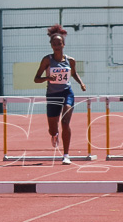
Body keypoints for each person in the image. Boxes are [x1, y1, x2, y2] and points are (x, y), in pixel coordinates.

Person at [33, 24, 86, 164]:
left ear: (64, 44)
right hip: (52, 95)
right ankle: (54, 135)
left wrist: (81, 83)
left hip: (67, 93)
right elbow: (36, 79)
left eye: (59, 43)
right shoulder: (47, 60)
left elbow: (73, 73)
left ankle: (66, 155)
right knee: (52, 129)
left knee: (65, 121)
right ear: (51, 45)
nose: (57, 46)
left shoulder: (71, 60)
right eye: (54, 43)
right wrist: (47, 78)